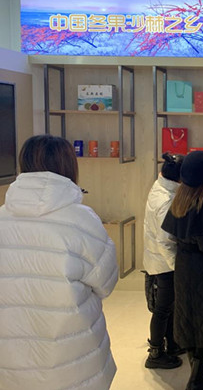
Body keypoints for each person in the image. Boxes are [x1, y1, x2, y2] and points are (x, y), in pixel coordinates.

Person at [0, 135, 118, 389]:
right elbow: (106, 283)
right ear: (69, 166)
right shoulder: (82, 220)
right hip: (72, 356)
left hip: (11, 360)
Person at [161, 151, 203, 390]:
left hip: (182, 267)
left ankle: (197, 374)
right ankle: (196, 381)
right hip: (202, 271)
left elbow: (170, 234)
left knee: (187, 321)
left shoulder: (178, 201)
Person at [143, 153, 185, 369]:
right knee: (162, 309)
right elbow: (165, 241)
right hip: (164, 263)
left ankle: (172, 344)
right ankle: (156, 353)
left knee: (169, 306)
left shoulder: (160, 187)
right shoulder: (166, 201)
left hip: (157, 258)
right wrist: (178, 268)